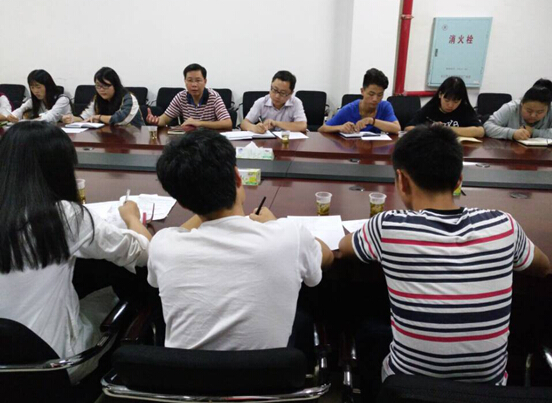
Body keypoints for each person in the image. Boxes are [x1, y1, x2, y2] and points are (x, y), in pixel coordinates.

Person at [338, 125, 550, 392]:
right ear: (459, 180)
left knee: (370, 330)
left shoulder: (388, 226)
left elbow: (344, 247)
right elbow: (543, 267)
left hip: (408, 391)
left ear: (401, 180)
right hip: (490, 393)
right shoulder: (504, 225)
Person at [149, 130, 334, 350]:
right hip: (268, 372)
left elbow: (161, 268)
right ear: (238, 177)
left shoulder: (162, 245)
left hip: (184, 372)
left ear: (182, 204)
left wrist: (197, 201)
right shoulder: (290, 236)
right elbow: (327, 256)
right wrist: (273, 224)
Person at [0, 121, 151, 383]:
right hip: (53, 367)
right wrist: (132, 218)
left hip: (8, 361)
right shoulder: (63, 217)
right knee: (116, 293)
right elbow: (144, 252)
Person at [146, 63, 232, 130]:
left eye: (198, 80)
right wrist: (155, 121)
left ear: (205, 81)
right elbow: (165, 119)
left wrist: (199, 123)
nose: (194, 85)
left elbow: (228, 123)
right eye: (190, 80)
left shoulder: (214, 97)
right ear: (185, 81)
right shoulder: (181, 97)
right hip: (189, 139)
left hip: (210, 139)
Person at [319, 68, 400, 134]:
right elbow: (322, 129)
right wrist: (341, 127)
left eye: (380, 95)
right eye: (371, 94)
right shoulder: (349, 109)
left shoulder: (385, 106)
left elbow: (397, 129)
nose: (375, 99)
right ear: (362, 91)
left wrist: (371, 121)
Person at [62, 67, 144, 128]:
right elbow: (86, 117)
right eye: (98, 86)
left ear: (115, 85)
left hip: (134, 138)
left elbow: (120, 119)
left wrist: (99, 117)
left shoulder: (129, 98)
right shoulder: (97, 99)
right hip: (109, 137)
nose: (101, 90)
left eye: (105, 86)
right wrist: (73, 119)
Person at [405, 76, 484, 138]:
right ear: (440, 95)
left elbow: (480, 131)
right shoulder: (430, 109)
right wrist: (430, 128)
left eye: (456, 102)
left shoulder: (465, 110)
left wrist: (448, 129)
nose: (450, 105)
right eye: (446, 100)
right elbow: (408, 128)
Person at [240, 70, 307, 134]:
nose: (277, 96)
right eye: (274, 90)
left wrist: (276, 123)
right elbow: (244, 123)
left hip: (288, 140)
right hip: (266, 140)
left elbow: (302, 126)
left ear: (291, 93)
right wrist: (254, 128)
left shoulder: (296, 103)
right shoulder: (261, 102)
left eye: (283, 93)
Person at [484, 79, 552, 140]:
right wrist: (512, 133)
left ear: (548, 108)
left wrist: (534, 132)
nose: (533, 115)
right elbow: (487, 127)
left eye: (540, 112)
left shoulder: (550, 110)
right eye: (529, 111)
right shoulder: (511, 108)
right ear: (521, 104)